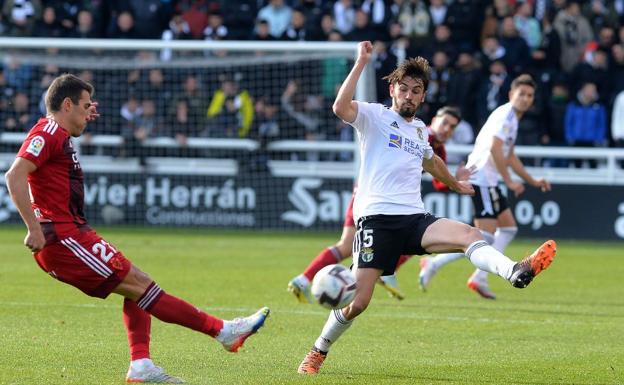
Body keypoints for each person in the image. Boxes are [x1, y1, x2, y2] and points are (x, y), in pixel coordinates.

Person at [297, 41, 556, 375]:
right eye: (403, 88)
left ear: (422, 97)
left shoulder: (420, 130)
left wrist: (454, 183)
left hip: (414, 218)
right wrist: (361, 62)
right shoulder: (375, 116)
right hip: (376, 221)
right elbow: (339, 107)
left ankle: (516, 271)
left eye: (415, 90)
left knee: (470, 233)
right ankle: (319, 350)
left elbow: (431, 163)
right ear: (392, 90)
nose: (408, 95)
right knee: (357, 303)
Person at [5, 74, 270, 384]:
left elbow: (46, 164)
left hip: (73, 233)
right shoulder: (49, 132)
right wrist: (33, 228)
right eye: (86, 106)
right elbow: (14, 176)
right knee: (140, 286)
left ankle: (142, 365)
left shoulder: (58, 133)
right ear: (67, 104)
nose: (91, 113)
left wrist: (81, 113)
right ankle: (223, 331)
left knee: (138, 285)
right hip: (63, 239)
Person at [287, 105, 467, 302]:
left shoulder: (437, 147)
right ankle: (382, 275)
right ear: (434, 120)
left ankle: (303, 279)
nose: (447, 129)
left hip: (381, 199)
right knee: (408, 238)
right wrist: (452, 181)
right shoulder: (419, 133)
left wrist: (454, 180)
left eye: (452, 127)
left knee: (350, 245)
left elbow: (438, 182)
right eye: (445, 123)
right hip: (374, 198)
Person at [419, 74, 553, 300]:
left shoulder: (513, 120)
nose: (526, 99)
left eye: (530, 96)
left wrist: (532, 181)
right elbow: (494, 149)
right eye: (522, 94)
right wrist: (509, 181)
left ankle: (478, 278)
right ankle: (433, 264)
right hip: (481, 178)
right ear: (512, 94)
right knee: (486, 237)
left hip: (489, 180)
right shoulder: (504, 115)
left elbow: (509, 156)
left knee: (509, 228)